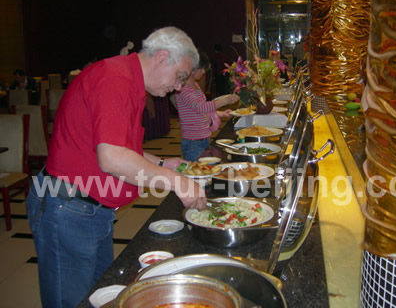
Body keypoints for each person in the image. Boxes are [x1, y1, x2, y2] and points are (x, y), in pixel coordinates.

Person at [26, 26, 206, 308]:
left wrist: (160, 162)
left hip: (89, 209)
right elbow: (112, 158)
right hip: (68, 207)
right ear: (161, 58)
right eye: (180, 76)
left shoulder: (130, 80)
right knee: (71, 301)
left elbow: (122, 147)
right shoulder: (115, 78)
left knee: (97, 297)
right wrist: (175, 180)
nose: (180, 86)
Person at [175, 50, 239, 161]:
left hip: (203, 137)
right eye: (202, 68)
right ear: (192, 69)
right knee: (195, 170)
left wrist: (221, 113)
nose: (204, 72)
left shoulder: (195, 85)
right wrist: (225, 100)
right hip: (193, 142)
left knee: (204, 167)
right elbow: (201, 107)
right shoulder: (183, 89)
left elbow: (201, 110)